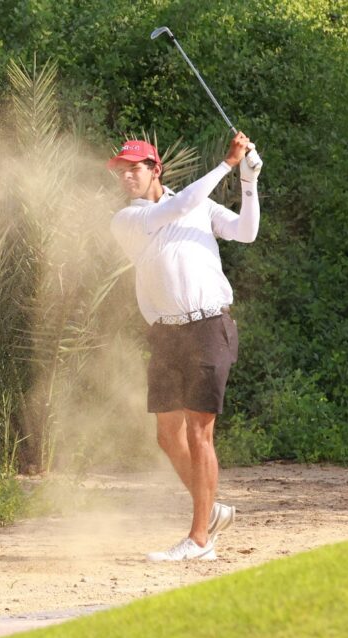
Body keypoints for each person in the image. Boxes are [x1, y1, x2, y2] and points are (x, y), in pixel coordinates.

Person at [107, 133, 261, 562]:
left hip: (209, 326)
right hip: (166, 334)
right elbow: (176, 208)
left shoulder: (197, 205)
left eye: (134, 169)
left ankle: (199, 541)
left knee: (198, 431)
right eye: (121, 172)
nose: (126, 177)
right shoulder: (128, 219)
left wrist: (249, 182)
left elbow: (246, 232)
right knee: (167, 435)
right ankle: (209, 510)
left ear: (155, 169)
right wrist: (228, 164)